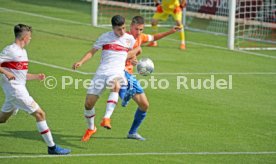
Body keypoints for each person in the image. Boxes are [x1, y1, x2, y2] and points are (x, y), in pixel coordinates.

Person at [102, 16, 182, 141]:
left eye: (141, 30)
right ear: (130, 27)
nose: (138, 32)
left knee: (144, 105)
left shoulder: (141, 37)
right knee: (123, 84)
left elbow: (154, 37)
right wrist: (130, 56)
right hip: (118, 71)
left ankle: (132, 132)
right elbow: (116, 55)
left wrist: (171, 31)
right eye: (136, 29)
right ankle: (125, 96)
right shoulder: (123, 38)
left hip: (129, 73)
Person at [0, 24, 71, 155]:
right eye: (30, 37)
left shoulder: (23, 52)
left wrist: (36, 76)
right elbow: (9, 72)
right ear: (25, 37)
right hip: (16, 91)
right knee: (40, 114)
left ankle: (52, 147)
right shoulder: (11, 50)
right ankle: (52, 147)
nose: (30, 40)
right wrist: (6, 73)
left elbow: (20, 75)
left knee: (2, 119)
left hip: (18, 90)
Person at [72, 15, 136, 142]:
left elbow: (131, 53)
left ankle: (107, 118)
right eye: (119, 29)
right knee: (88, 104)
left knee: (116, 85)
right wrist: (81, 62)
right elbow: (92, 52)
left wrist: (133, 60)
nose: (122, 32)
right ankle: (91, 128)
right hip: (102, 72)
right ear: (113, 28)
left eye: (123, 28)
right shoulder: (104, 37)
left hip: (117, 71)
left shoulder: (129, 39)